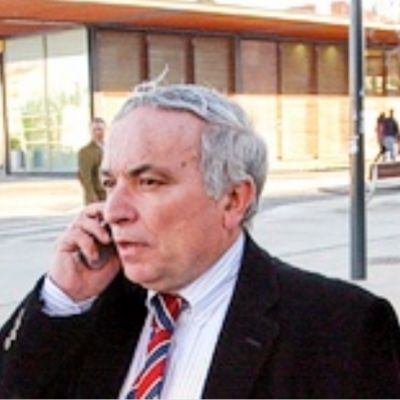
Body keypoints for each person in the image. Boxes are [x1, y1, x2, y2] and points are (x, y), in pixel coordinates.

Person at [1, 82, 400, 399]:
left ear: (233, 199)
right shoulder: (87, 308)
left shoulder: (341, 329)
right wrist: (62, 297)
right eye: (110, 184)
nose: (113, 210)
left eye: (148, 182)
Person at [78, 117, 107, 204]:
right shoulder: (85, 151)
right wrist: (92, 196)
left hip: (110, 194)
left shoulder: (110, 147)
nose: (98, 132)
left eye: (100, 129)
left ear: (105, 130)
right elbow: (85, 177)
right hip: (97, 196)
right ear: (90, 131)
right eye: (95, 130)